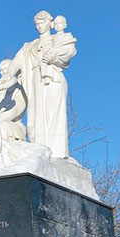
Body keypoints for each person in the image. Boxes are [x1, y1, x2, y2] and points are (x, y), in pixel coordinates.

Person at [6, 10, 77, 158]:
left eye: (42, 22)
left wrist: (54, 56)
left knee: (53, 116)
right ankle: (39, 152)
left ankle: (56, 154)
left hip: (52, 80)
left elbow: (69, 52)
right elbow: (16, 63)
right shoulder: (29, 46)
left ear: (50, 23)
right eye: (37, 24)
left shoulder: (58, 39)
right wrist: (6, 78)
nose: (39, 26)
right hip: (35, 82)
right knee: (35, 119)